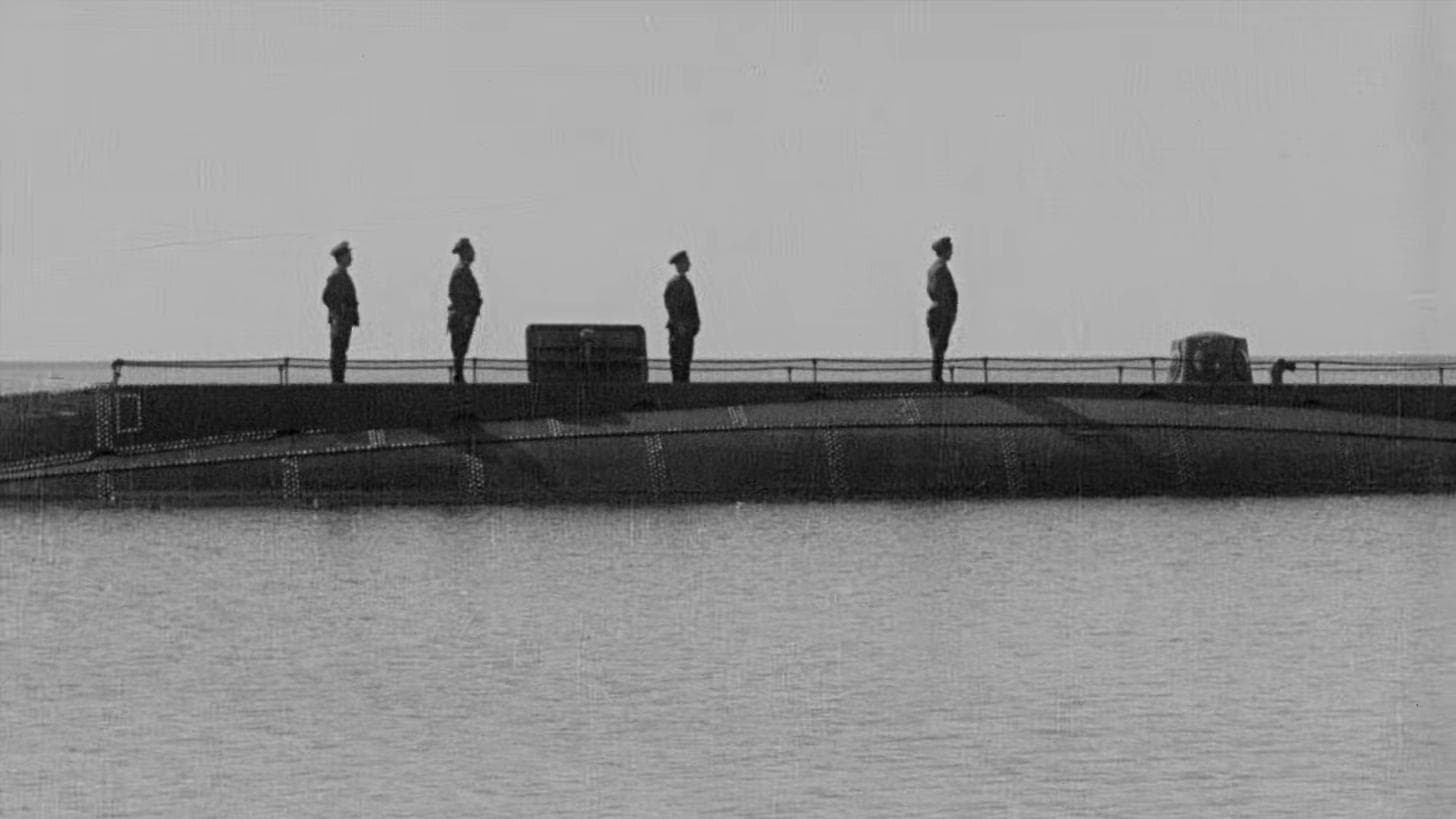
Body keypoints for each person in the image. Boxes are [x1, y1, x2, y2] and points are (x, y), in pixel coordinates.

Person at [321, 241, 360, 384]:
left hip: (344, 320)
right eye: (348, 255)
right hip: (340, 320)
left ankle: (339, 379)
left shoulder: (342, 274)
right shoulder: (337, 275)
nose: (351, 257)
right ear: (342, 257)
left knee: (341, 350)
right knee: (338, 350)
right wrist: (339, 311)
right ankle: (337, 380)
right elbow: (326, 297)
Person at [447, 237, 483, 384]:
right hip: (462, 315)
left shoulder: (464, 269)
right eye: (470, 250)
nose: (473, 253)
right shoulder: (461, 270)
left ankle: (459, 375)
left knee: (461, 347)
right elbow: (455, 294)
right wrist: (466, 313)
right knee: (460, 347)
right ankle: (458, 375)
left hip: (465, 314)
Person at [663, 250, 700, 383]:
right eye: (686, 262)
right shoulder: (675, 284)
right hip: (680, 330)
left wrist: (695, 325)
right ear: (680, 264)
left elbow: (692, 308)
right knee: (679, 361)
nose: (689, 264)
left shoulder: (685, 283)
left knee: (685, 361)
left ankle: (683, 385)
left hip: (687, 329)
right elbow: (672, 307)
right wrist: (679, 325)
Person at [925, 236, 958, 383]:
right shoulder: (940, 270)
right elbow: (940, 291)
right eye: (950, 249)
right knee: (939, 346)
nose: (952, 252)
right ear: (945, 251)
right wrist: (949, 311)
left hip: (939, 311)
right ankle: (936, 377)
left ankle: (936, 376)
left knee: (938, 346)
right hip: (942, 312)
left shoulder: (934, 269)